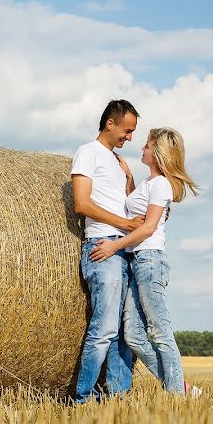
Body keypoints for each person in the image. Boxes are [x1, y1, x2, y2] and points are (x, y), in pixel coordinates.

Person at [89, 127, 198, 395]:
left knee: (160, 333)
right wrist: (128, 179)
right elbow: (136, 209)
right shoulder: (150, 184)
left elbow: (148, 228)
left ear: (158, 153)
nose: (142, 148)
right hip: (137, 261)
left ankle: (177, 397)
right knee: (134, 335)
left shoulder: (161, 185)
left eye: (147, 146)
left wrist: (114, 245)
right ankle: (180, 388)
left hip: (149, 261)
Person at [70, 99, 143, 404]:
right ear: (110, 123)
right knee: (104, 329)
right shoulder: (88, 153)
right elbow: (82, 204)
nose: (130, 137)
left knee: (123, 334)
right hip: (103, 246)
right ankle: (82, 399)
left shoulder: (116, 162)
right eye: (127, 130)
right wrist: (125, 223)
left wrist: (128, 178)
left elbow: (130, 201)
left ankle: (118, 397)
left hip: (124, 248)